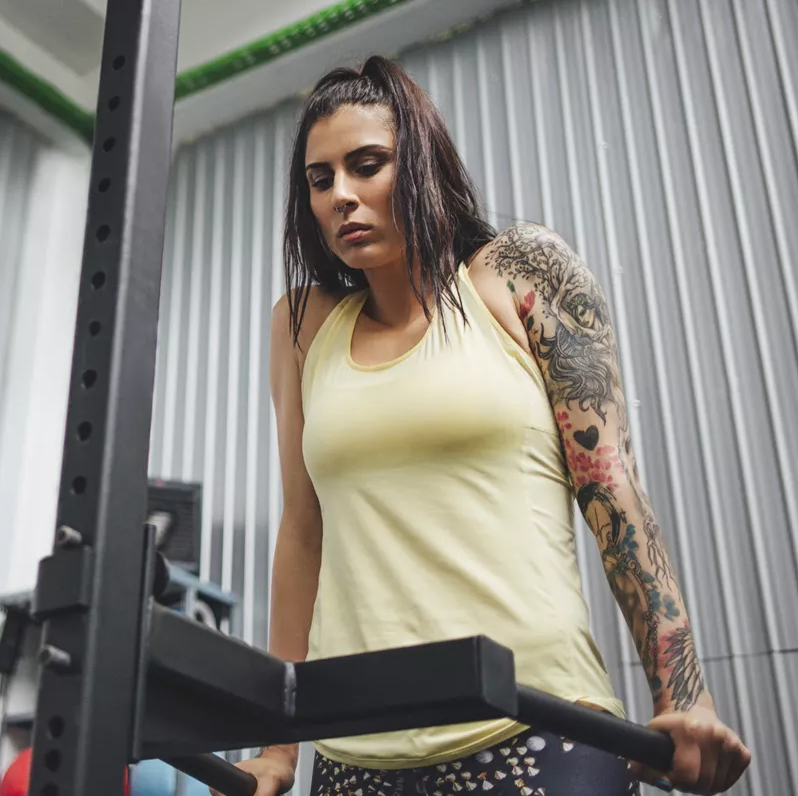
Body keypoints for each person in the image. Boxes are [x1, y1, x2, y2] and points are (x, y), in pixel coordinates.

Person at [232, 57, 752, 796]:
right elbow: (302, 531)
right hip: (358, 757)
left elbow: (613, 492)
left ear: (420, 162)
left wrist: (683, 696)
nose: (342, 194)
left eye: (367, 165)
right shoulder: (302, 325)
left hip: (539, 727)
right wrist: (278, 747)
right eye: (321, 179)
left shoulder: (519, 272)